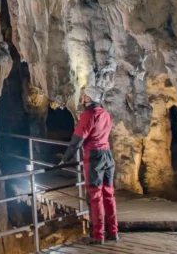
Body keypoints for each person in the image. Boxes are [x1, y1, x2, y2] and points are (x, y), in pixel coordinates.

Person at [60, 86, 119, 245]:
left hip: (94, 157)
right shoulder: (106, 114)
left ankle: (98, 235)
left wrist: (65, 159)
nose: (82, 98)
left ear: (89, 98)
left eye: (85, 95)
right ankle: (113, 232)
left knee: (95, 195)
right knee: (108, 193)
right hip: (108, 155)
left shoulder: (89, 115)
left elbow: (77, 140)